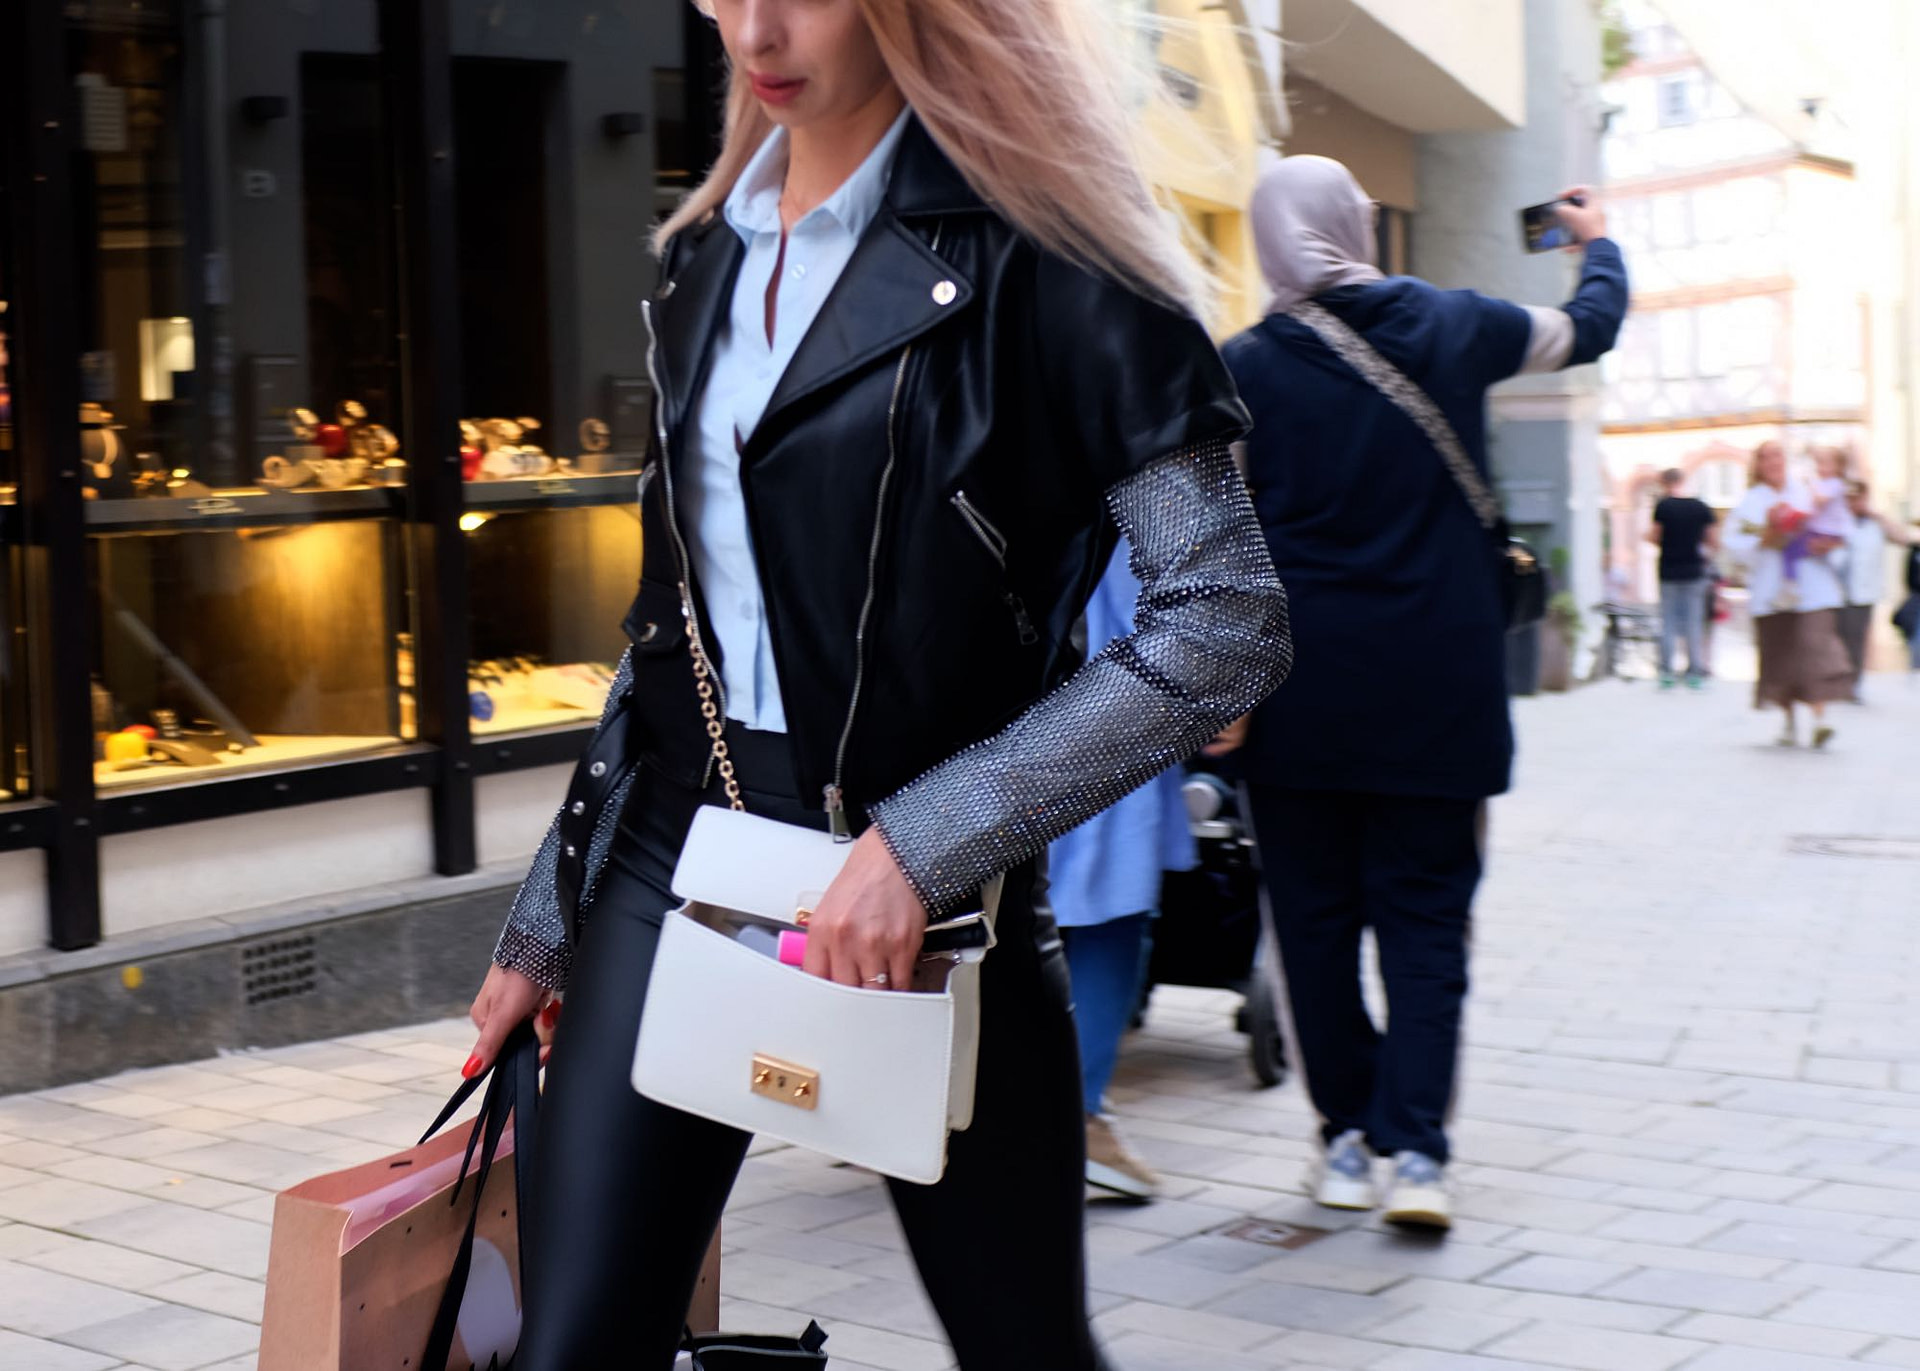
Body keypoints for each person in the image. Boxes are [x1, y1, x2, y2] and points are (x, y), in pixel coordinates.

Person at [463, 2, 1292, 1367]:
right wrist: (548, 917)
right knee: (577, 1350)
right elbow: (674, 630)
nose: (756, 29)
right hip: (673, 854)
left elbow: (1226, 622)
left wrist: (925, 842)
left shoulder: (1056, 256)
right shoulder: (705, 258)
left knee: (1025, 1349)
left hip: (944, 902)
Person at [1220, 156, 1626, 1231]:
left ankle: (1346, 1142)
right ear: (1356, 224)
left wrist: (1218, 695)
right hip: (1440, 692)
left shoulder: (1242, 368)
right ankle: (1419, 1155)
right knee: (1428, 925)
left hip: (1297, 700)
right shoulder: (1460, 325)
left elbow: (1221, 548)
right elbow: (1589, 329)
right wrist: (1593, 241)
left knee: (1314, 930)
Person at [1046, 539, 1199, 1203]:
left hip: (1000, 661)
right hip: (1113, 672)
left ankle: (945, 1101)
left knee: (986, 902)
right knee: (1111, 907)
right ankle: (1078, 1116)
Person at [1724, 440, 1852, 747]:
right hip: (1772, 591)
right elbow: (1737, 545)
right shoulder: (1750, 502)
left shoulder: (1809, 491)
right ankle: (1789, 721)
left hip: (1813, 589)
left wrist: (1827, 545)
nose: (1773, 462)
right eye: (1766, 457)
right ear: (1757, 465)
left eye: (1777, 455)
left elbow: (1838, 526)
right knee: (1780, 657)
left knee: (1814, 648)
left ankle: (1820, 720)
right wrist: (1767, 536)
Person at [1646, 467, 1719, 689]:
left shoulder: (1663, 506)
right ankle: (1694, 672)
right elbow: (1713, 540)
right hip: (1694, 570)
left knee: (1668, 620)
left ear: (1664, 483)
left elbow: (1655, 536)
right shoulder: (1700, 506)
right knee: (1694, 621)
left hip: (1668, 569)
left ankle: (1667, 672)